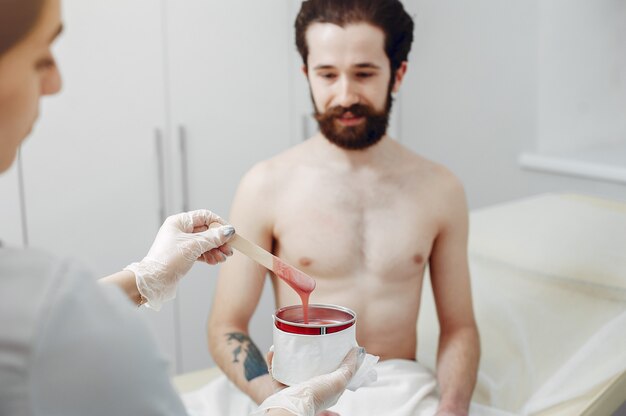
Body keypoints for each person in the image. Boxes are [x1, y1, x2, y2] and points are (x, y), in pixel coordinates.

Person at [0, 0, 361, 415]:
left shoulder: (46, 310)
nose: (56, 83)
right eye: (41, 58)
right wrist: (287, 406)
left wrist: (144, 277)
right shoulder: (57, 317)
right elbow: (55, 326)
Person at [206, 0, 480, 415]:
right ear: (307, 75)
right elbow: (226, 326)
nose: (345, 95)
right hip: (291, 392)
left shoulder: (440, 190)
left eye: (364, 74)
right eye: (328, 75)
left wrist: (454, 407)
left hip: (400, 388)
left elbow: (459, 327)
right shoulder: (265, 186)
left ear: (397, 74)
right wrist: (281, 401)